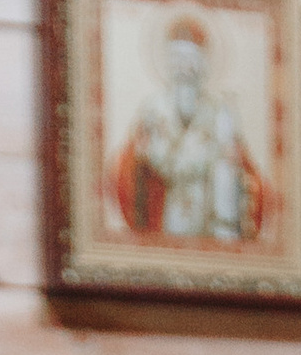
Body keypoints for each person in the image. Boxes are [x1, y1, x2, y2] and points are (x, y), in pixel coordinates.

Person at [109, 14, 264, 246]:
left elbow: (246, 173)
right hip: (163, 212)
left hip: (211, 219)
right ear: (167, 62)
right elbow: (129, 167)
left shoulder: (221, 112)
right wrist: (140, 157)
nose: (184, 68)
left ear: (203, 64)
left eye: (191, 59)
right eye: (177, 58)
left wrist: (233, 164)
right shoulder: (152, 108)